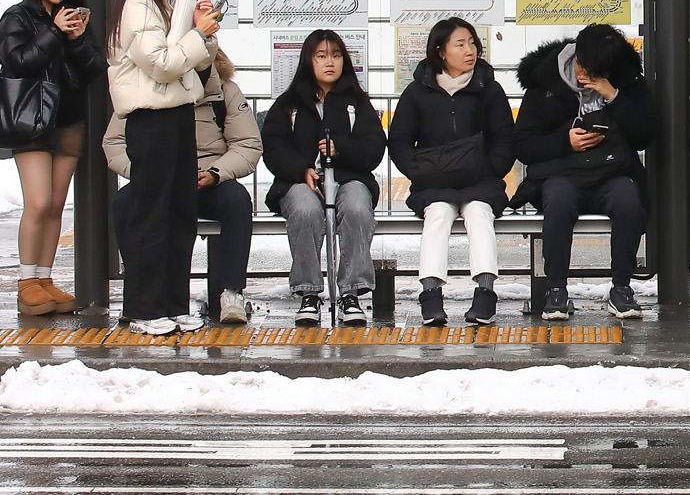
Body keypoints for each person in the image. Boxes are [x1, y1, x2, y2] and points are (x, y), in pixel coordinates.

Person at [105, 0, 221, 335]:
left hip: (176, 114)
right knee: (151, 213)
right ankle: (142, 308)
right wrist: (195, 35)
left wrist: (204, 33)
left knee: (180, 212)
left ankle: (172, 303)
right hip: (149, 120)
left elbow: (195, 62)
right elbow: (164, 63)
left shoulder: (166, 1)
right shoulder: (137, 3)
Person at [105, 48, 260, 324]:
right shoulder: (141, 89)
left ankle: (231, 292)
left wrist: (215, 173)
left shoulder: (225, 91)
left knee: (237, 200)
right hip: (156, 179)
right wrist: (144, 173)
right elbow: (114, 143)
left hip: (208, 179)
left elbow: (247, 144)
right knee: (124, 202)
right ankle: (141, 289)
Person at [512, 24, 652, 321]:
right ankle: (556, 289)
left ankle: (621, 287)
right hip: (561, 174)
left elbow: (645, 135)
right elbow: (522, 145)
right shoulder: (544, 81)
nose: (583, 75)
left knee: (628, 199)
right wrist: (566, 142)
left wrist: (613, 96)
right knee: (559, 202)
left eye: (595, 72)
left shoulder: (625, 81)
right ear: (574, 55)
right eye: (581, 66)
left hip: (611, 172)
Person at [388, 18, 513, 327]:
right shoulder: (418, 92)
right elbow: (400, 140)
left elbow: (505, 140)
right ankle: (430, 296)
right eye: (460, 44)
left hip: (480, 181)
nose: (469, 50)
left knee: (479, 213)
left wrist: (489, 169)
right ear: (441, 51)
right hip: (435, 183)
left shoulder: (489, 89)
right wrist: (419, 172)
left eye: (472, 43)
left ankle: (485, 293)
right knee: (439, 215)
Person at [0, 0, 104, 315]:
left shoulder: (71, 17)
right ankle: (26, 282)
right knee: (39, 202)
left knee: (58, 205)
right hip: (31, 121)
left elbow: (94, 68)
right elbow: (18, 62)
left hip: (68, 119)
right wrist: (54, 33)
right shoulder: (18, 16)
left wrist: (75, 38)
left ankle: (45, 278)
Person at [263, 30, 383, 327]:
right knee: (305, 209)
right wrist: (299, 169)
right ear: (309, 60)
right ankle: (309, 292)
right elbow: (273, 147)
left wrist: (341, 149)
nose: (330, 62)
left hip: (349, 179)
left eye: (336, 55)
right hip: (300, 182)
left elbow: (374, 147)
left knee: (356, 205)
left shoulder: (356, 102)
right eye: (321, 56)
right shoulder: (289, 103)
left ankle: (351, 292)